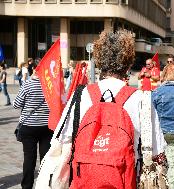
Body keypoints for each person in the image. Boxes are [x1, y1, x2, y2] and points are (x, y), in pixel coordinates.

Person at [56, 30, 166, 187]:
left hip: (84, 181)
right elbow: (157, 150)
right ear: (128, 63)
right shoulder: (142, 99)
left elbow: (63, 140)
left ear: (99, 60)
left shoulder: (80, 95)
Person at [13, 61, 53, 189]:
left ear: (34, 70)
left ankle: (27, 186)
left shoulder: (27, 84)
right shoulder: (50, 85)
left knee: (29, 159)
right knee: (45, 160)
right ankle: (44, 185)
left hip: (29, 127)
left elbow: (16, 104)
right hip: (46, 127)